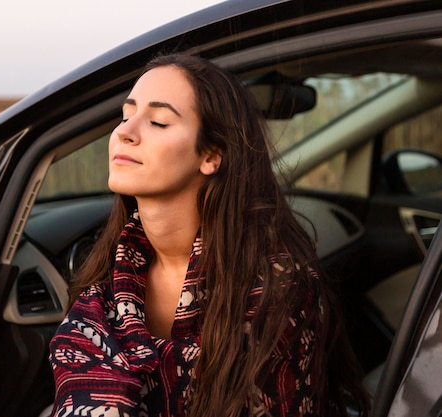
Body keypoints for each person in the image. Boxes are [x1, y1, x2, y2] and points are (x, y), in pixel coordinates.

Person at [48, 54, 370, 417]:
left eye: (157, 121)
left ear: (211, 156)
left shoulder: (277, 293)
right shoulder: (103, 285)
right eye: (125, 115)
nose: (125, 132)